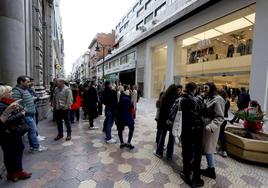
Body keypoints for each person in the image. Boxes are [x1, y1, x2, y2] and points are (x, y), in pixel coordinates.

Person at [0, 85, 32, 181]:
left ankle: (17, 171)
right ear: (3, 94)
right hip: (8, 133)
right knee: (9, 153)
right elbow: (5, 121)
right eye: (9, 92)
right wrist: (20, 114)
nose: (12, 93)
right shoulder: (2, 105)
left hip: (14, 132)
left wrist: (20, 110)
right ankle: (12, 173)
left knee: (17, 150)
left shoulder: (9, 102)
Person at [179, 82, 205, 187]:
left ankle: (187, 174)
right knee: (197, 154)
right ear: (194, 89)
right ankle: (196, 178)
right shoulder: (197, 100)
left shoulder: (182, 100)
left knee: (186, 152)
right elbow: (204, 112)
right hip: (198, 130)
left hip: (186, 130)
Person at [12, 76, 47, 152]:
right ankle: (35, 147)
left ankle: (33, 146)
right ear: (21, 82)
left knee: (32, 131)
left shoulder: (25, 90)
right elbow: (16, 104)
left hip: (31, 114)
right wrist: (25, 110)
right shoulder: (17, 91)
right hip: (26, 115)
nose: (29, 83)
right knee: (32, 131)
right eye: (27, 82)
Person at [201, 82, 225, 180]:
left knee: (209, 149)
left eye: (206, 87)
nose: (204, 89)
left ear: (211, 88)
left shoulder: (218, 99)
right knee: (207, 149)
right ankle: (210, 169)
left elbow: (220, 117)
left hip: (210, 128)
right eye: (203, 88)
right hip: (205, 126)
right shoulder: (208, 98)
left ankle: (211, 170)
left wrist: (211, 127)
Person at [154, 84, 183, 160]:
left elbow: (161, 110)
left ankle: (159, 152)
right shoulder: (178, 98)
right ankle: (169, 156)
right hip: (172, 121)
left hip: (164, 120)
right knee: (171, 139)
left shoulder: (164, 97)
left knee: (162, 137)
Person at [218, 89, 230, 158]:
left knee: (219, 133)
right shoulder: (227, 101)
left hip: (220, 118)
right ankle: (223, 149)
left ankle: (222, 149)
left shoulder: (220, 100)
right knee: (222, 132)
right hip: (225, 118)